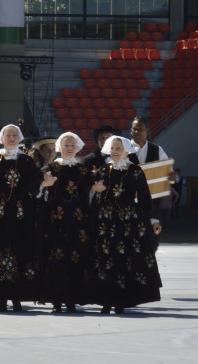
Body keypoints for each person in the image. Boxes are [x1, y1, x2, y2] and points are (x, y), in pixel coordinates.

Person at [0, 124, 50, 312]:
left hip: (21, 212)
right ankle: (1, 297)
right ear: (1, 139)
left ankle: (18, 297)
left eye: (14, 135)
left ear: (19, 138)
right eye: (7, 135)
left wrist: (38, 186)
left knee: (20, 247)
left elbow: (36, 180)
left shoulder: (26, 160)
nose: (11, 138)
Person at [90, 135, 162, 314]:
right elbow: (96, 193)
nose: (115, 151)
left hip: (128, 221)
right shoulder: (103, 170)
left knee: (125, 259)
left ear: (127, 151)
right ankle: (106, 301)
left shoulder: (135, 171)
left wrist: (153, 219)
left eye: (118, 148)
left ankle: (122, 300)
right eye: (112, 148)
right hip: (106, 221)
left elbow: (145, 197)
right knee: (106, 259)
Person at [37, 132, 94, 314]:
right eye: (65, 145)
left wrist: (94, 188)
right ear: (59, 148)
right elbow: (38, 190)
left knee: (75, 257)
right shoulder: (50, 168)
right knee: (56, 258)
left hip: (77, 221)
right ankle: (56, 300)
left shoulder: (83, 170)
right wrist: (44, 185)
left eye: (72, 145)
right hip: (55, 220)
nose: (69, 148)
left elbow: (88, 192)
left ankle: (72, 299)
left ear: (76, 148)